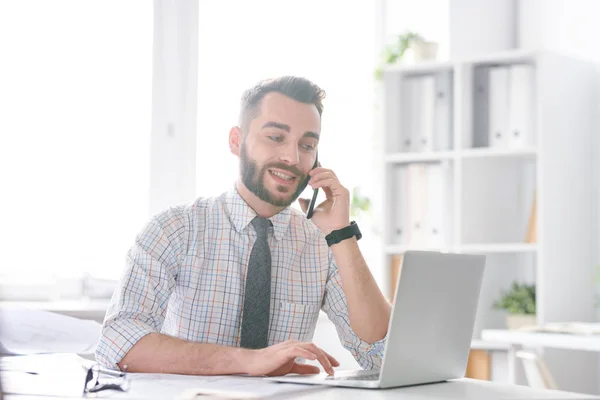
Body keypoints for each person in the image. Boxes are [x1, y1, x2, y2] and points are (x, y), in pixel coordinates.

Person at [95, 76, 391, 377]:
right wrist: (245, 361)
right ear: (237, 141)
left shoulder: (321, 244)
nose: (292, 157)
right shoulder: (174, 229)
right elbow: (117, 343)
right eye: (276, 137)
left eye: (307, 145)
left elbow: (383, 355)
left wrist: (341, 235)